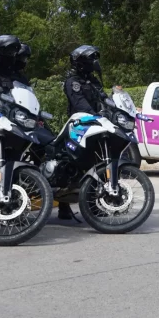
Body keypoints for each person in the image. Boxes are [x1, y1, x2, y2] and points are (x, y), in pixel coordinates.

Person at [59, 44, 106, 220]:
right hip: (79, 126)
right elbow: (79, 103)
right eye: (89, 60)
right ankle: (64, 206)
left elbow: (104, 98)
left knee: (96, 164)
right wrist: (94, 114)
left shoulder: (93, 81)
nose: (93, 64)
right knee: (70, 163)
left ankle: (93, 205)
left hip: (96, 125)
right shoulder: (73, 82)